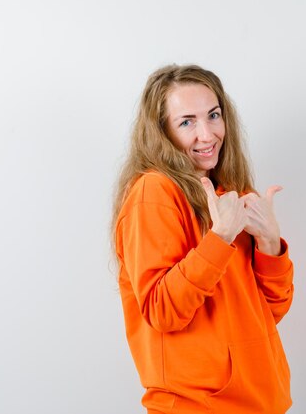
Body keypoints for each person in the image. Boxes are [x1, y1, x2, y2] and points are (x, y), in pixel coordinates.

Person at [112, 64, 295, 414]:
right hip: (196, 406)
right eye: (187, 122)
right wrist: (220, 237)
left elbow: (269, 312)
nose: (207, 134)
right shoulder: (154, 192)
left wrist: (271, 244)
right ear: (161, 133)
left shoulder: (230, 194)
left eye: (213, 115)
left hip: (261, 403)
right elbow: (161, 310)